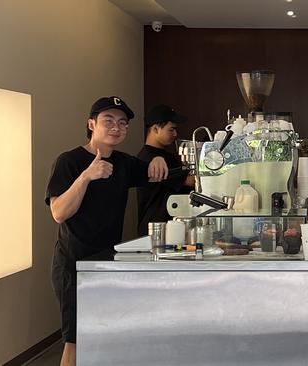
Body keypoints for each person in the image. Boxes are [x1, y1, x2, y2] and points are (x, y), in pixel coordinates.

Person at [45, 96, 168, 366]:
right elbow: (59, 213)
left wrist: (158, 158)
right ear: (91, 124)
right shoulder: (70, 161)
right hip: (73, 266)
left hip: (106, 264)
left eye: (122, 123)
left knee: (101, 336)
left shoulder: (124, 163)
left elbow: (152, 171)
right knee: (75, 341)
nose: (116, 127)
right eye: (108, 121)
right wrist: (87, 176)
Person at [137, 104, 195, 236]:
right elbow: (190, 181)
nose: (175, 134)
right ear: (156, 129)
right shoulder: (148, 159)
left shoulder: (167, 156)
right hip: (155, 230)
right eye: (171, 130)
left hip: (171, 227)